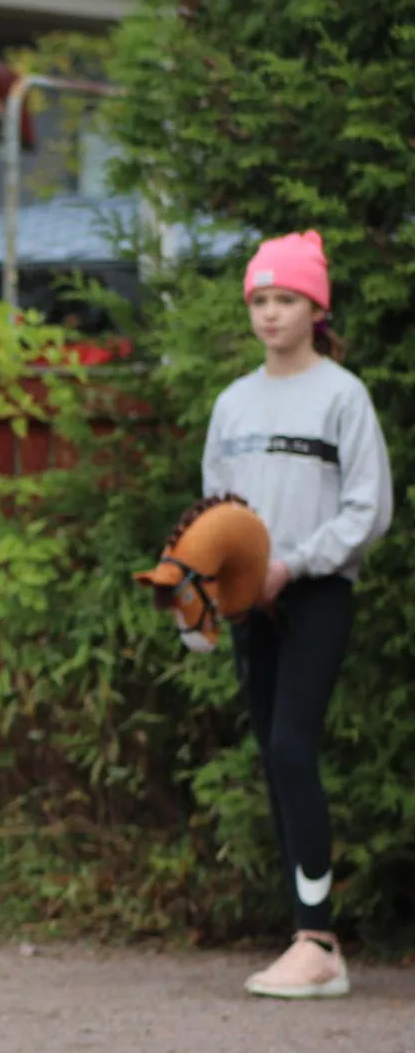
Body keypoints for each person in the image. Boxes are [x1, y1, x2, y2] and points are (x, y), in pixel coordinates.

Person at [200, 229, 392, 999]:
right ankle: (303, 935)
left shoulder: (341, 395)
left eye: (286, 299)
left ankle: (319, 943)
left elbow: (368, 510)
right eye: (260, 299)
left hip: (315, 594)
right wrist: (213, 588)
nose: (271, 313)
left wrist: (294, 564)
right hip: (252, 602)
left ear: (316, 307)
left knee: (290, 748)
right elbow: (215, 512)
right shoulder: (233, 403)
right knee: (275, 766)